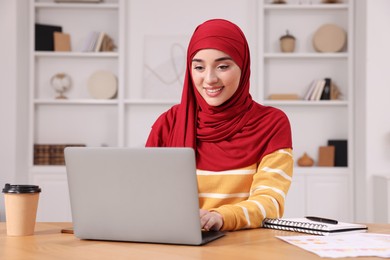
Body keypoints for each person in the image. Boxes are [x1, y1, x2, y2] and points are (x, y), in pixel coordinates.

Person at [146, 19, 293, 232]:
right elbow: (147, 196)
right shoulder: (168, 123)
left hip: (245, 247)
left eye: (223, 66)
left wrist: (220, 217)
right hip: (177, 247)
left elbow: (270, 203)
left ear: (243, 66)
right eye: (198, 67)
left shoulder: (271, 123)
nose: (210, 79)